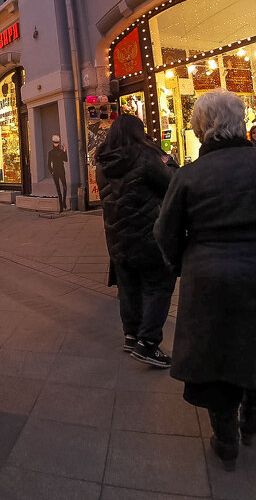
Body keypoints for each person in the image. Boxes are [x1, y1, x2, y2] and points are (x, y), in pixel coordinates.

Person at [155, 90, 256, 471]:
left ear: (200, 129)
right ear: (241, 123)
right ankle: (253, 416)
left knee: (215, 355)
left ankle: (226, 435)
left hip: (210, 279)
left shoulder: (188, 175)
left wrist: (187, 264)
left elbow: (165, 234)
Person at [96, 114, 176, 369]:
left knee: (128, 287)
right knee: (158, 285)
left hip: (116, 236)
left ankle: (131, 335)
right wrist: (170, 164)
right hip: (147, 233)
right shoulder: (146, 156)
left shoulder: (103, 162)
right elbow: (171, 186)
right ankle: (148, 343)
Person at [48, 134, 69, 212]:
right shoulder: (50, 152)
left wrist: (64, 151)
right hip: (55, 171)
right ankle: (61, 206)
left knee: (65, 187)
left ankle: (64, 202)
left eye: (57, 142)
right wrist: (52, 171)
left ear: (58, 143)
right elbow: (48, 163)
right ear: (53, 143)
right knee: (58, 189)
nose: (56, 144)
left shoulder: (61, 151)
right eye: (55, 142)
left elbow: (66, 160)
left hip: (61, 170)